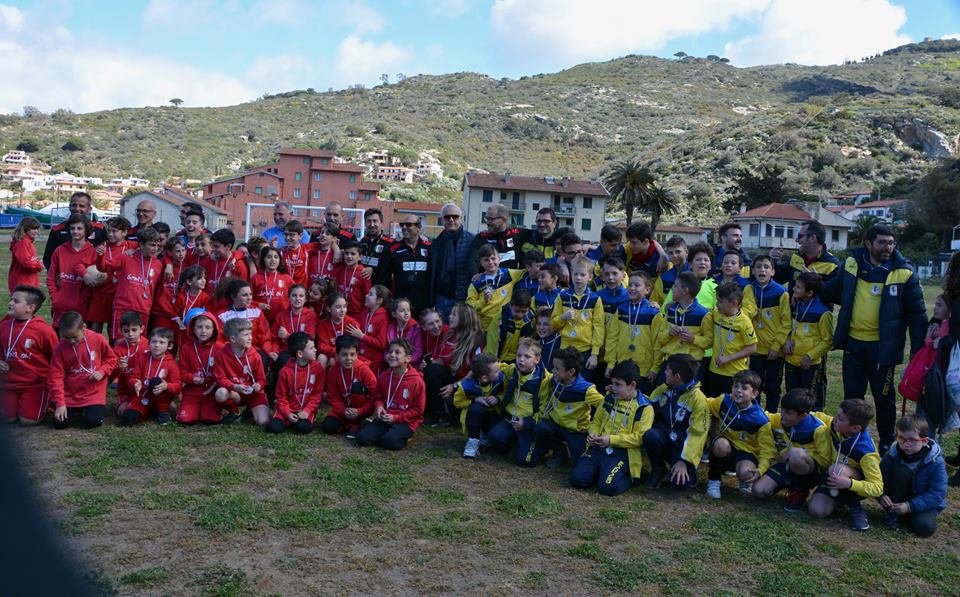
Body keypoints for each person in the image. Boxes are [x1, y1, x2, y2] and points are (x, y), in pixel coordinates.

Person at [820, 224, 927, 451]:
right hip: (854, 345)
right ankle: (852, 443)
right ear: (868, 243)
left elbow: (917, 315)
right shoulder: (852, 263)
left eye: (891, 242)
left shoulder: (904, 272)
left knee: (884, 400)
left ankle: (887, 444)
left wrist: (918, 353)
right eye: (882, 242)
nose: (887, 247)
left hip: (883, 350)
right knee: (853, 399)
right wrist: (809, 284)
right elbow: (831, 290)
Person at [570, 360, 653, 496]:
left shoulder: (644, 407)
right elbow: (596, 420)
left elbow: (639, 438)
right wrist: (593, 433)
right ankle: (602, 472)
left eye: (618, 385)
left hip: (621, 453)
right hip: (598, 447)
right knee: (577, 480)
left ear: (632, 385)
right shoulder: (610, 397)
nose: (612, 388)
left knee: (607, 488)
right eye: (613, 383)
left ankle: (636, 478)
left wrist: (611, 440)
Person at [807, 399, 884, 531]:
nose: (835, 419)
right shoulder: (835, 425)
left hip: (853, 482)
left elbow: (877, 488)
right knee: (816, 511)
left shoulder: (866, 452)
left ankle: (855, 507)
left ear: (855, 428)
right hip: (835, 478)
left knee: (837, 469)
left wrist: (849, 484)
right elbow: (816, 415)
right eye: (836, 416)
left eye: (840, 418)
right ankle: (840, 499)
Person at [752, 388, 832, 511]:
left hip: (809, 470)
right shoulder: (781, 419)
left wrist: (801, 453)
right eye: (782, 410)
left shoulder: (818, 429)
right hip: (787, 464)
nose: (783, 414)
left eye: (788, 413)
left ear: (803, 415)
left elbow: (825, 461)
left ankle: (800, 490)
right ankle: (787, 482)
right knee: (758, 491)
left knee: (796, 454)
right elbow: (764, 415)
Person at [704, 370, 775, 499]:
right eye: (736, 386)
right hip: (726, 448)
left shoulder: (760, 419)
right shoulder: (723, 401)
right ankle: (714, 481)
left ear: (754, 394)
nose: (738, 390)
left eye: (744, 388)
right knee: (720, 444)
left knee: (746, 472)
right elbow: (705, 403)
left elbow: (767, 450)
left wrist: (760, 470)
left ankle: (744, 482)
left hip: (746, 454)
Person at [643, 353, 709, 490]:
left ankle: (686, 471)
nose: (665, 372)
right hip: (666, 440)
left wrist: (683, 460)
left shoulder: (698, 400)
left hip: (683, 447)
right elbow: (647, 404)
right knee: (651, 435)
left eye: (667, 370)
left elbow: (697, 435)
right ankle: (658, 469)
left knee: (680, 485)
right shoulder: (664, 389)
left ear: (677, 377)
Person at [533, 347, 604, 468]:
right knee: (540, 427)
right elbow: (543, 373)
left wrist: (595, 429)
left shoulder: (586, 389)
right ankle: (559, 452)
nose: (553, 370)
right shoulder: (555, 380)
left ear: (571, 372)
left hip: (576, 431)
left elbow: (604, 405)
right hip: (555, 425)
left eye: (557, 368)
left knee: (578, 464)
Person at [878, 415, 947, 537]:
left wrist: (910, 506)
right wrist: (881, 495)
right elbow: (877, 479)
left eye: (912, 440)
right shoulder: (891, 455)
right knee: (901, 471)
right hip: (896, 499)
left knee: (925, 527)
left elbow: (938, 493)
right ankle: (894, 513)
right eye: (901, 438)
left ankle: (907, 515)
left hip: (922, 502)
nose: (905, 444)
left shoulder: (935, 461)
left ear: (924, 441)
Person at [486, 339, 550, 466]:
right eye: (519, 355)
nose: (521, 359)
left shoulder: (544, 380)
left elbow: (544, 410)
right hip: (510, 419)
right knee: (493, 437)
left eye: (527, 356)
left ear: (537, 359)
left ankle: (536, 447)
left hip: (528, 422)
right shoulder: (512, 370)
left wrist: (526, 423)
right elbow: (495, 366)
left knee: (526, 462)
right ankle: (514, 443)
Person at [49, 311, 118, 430]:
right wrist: (60, 403)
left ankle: (86, 409)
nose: (71, 341)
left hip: (93, 392)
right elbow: (55, 377)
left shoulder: (98, 339)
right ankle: (71, 409)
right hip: (70, 393)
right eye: (67, 338)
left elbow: (112, 359)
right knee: (59, 424)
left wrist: (102, 371)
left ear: (84, 328)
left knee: (93, 422)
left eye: (75, 337)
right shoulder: (60, 348)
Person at [0, 286, 58, 425]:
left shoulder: (44, 331)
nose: (10, 303)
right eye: (11, 299)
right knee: (7, 419)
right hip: (8, 383)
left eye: (16, 301)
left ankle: (49, 402)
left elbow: (56, 359)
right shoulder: (3, 326)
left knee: (28, 421)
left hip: (35, 384)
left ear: (30, 308)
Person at [356, 338, 425, 450]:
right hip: (386, 417)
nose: (392, 355)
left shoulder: (417, 381)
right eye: (390, 352)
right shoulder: (384, 376)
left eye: (397, 352)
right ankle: (387, 434)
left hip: (406, 421)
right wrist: (379, 406)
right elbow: (379, 397)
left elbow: (418, 411)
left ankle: (400, 436)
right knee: (362, 439)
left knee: (390, 443)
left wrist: (396, 418)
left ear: (408, 358)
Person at [741, 254, 790, 411]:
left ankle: (771, 418)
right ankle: (755, 416)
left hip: (774, 350)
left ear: (773, 272)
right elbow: (748, 312)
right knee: (755, 387)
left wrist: (776, 346)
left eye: (766, 267)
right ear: (753, 271)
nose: (762, 270)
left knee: (773, 387)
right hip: (755, 349)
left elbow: (786, 322)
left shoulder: (781, 292)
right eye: (758, 267)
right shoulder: (749, 289)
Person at [422, 303, 484, 426]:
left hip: (467, 385)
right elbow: (443, 360)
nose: (449, 317)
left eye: (454, 314)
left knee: (433, 372)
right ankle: (439, 414)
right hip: (453, 379)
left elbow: (475, 372)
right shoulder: (451, 335)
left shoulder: (476, 339)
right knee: (431, 370)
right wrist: (425, 366)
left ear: (464, 318)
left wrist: (455, 386)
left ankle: (448, 414)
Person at [97, 227, 164, 340]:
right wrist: (100, 256)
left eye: (158, 245)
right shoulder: (127, 257)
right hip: (123, 306)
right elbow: (104, 267)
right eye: (152, 245)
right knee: (120, 339)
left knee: (139, 342)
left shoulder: (159, 264)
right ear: (141, 245)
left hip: (143, 308)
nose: (155, 248)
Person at [605, 271, 663, 394]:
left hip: (645, 370)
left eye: (637, 285)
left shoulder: (653, 312)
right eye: (630, 285)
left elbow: (658, 342)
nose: (632, 288)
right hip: (622, 366)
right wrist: (610, 363)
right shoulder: (621, 310)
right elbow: (612, 338)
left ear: (647, 290)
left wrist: (655, 368)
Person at [695, 282, 757, 397]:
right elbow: (704, 310)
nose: (717, 304)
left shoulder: (744, 322)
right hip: (714, 370)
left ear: (734, 303)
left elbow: (752, 347)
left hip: (733, 374)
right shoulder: (717, 314)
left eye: (720, 302)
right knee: (712, 404)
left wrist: (729, 358)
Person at [783, 273, 833, 399]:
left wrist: (809, 356)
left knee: (806, 399)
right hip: (791, 360)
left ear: (809, 293)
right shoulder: (794, 305)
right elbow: (787, 327)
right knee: (791, 397)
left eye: (798, 287)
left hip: (810, 364)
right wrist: (787, 340)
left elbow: (827, 341)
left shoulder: (823, 313)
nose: (794, 289)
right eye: (795, 285)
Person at [551, 256, 604, 373]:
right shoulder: (562, 296)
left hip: (585, 350)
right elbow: (553, 324)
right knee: (563, 380)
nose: (578, 278)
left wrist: (595, 354)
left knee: (581, 385)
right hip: (565, 348)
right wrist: (562, 318)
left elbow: (598, 327)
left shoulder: (595, 299)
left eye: (582, 275)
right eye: (575, 274)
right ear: (571, 274)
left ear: (590, 277)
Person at [213, 318, 270, 427]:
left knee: (263, 422)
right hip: (236, 393)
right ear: (233, 339)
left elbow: (262, 379)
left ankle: (250, 410)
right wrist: (234, 386)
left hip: (254, 394)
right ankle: (234, 411)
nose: (250, 338)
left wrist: (259, 385)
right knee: (220, 394)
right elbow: (220, 378)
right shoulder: (221, 354)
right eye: (246, 335)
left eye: (250, 334)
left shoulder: (255, 355)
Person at [655, 272, 709, 383]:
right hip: (670, 363)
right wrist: (669, 333)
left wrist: (693, 339)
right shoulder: (670, 310)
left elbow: (709, 341)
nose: (672, 289)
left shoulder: (704, 314)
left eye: (675, 286)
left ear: (685, 291)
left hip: (692, 364)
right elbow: (660, 339)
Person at [266, 332, 324, 435]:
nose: (315, 350)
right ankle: (288, 420)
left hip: (305, 410)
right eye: (311, 348)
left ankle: (302, 420)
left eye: (314, 347)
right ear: (300, 354)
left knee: (303, 428)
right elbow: (281, 397)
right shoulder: (285, 371)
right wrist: (287, 413)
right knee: (273, 428)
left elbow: (316, 395)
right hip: (287, 409)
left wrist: (307, 411)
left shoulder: (318, 369)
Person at [46, 214, 98, 327]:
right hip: (61, 305)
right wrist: (55, 298)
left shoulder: (93, 253)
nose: (75, 231)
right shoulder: (59, 251)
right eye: (72, 228)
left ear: (86, 230)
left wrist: (82, 301)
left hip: (81, 307)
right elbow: (50, 278)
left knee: (78, 340)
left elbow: (92, 283)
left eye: (79, 228)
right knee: (61, 340)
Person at [322, 335, 378, 438]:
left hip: (362, 410)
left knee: (357, 387)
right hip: (344, 410)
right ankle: (348, 423)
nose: (348, 358)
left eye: (352, 354)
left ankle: (357, 423)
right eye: (344, 355)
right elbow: (332, 396)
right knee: (328, 426)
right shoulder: (333, 371)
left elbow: (375, 394)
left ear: (357, 354)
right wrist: (343, 410)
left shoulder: (363, 369)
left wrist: (360, 411)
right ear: (337, 355)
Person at [124, 328, 181, 426]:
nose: (157, 345)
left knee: (156, 381)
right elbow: (133, 377)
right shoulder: (142, 358)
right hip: (143, 397)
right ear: (149, 343)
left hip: (161, 398)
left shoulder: (171, 364)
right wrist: (135, 383)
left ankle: (162, 411)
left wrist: (166, 386)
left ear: (170, 346)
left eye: (161, 342)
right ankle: (147, 411)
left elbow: (178, 386)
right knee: (127, 419)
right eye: (154, 342)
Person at [176, 310, 224, 425]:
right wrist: (192, 378)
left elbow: (225, 372)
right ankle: (192, 409)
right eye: (199, 327)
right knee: (185, 419)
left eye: (208, 327)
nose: (203, 331)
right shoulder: (186, 348)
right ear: (192, 329)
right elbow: (182, 372)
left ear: (214, 330)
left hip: (212, 391)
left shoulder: (221, 348)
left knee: (210, 420)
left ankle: (214, 410)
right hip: (193, 391)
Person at [455, 353, 505, 458]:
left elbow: (506, 393)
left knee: (501, 445)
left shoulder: (500, 378)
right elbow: (457, 402)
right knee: (476, 408)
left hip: (493, 413)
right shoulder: (466, 385)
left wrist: (498, 398)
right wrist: (474, 400)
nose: (499, 372)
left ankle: (485, 435)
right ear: (484, 378)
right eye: (496, 371)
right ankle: (472, 443)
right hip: (474, 415)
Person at [430, 203, 475, 321]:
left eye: (455, 217)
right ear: (442, 220)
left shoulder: (472, 240)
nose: (451, 220)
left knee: (461, 334)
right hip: (441, 298)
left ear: (461, 218)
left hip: (462, 298)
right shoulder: (436, 243)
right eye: (447, 217)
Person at [467, 244, 526, 331]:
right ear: (481, 262)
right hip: (484, 329)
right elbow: (468, 307)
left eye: (493, 258)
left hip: (504, 326)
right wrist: (483, 301)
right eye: (486, 260)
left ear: (499, 259)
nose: (490, 262)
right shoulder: (476, 283)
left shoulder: (509, 274)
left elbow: (529, 270)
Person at [217, 279, 273, 369]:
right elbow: (219, 339)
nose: (249, 298)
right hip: (231, 351)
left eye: (250, 294)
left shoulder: (256, 312)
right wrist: (232, 350)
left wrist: (269, 353)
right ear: (234, 297)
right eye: (245, 295)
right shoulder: (222, 315)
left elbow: (264, 337)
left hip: (254, 350)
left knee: (262, 361)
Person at [42, 191, 106, 269]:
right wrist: (57, 276)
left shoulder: (100, 229)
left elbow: (108, 254)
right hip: (65, 278)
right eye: (74, 205)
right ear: (69, 207)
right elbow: (48, 258)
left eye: (81, 206)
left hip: (89, 278)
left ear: (89, 209)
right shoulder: (57, 230)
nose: (77, 209)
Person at [385, 216, 432, 317]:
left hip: (424, 304)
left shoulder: (430, 247)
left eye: (409, 225)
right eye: (402, 225)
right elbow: (385, 274)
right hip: (401, 304)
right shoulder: (393, 248)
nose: (404, 227)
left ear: (418, 227)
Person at [469, 203, 529, 271]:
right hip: (488, 280)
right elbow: (472, 263)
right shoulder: (481, 237)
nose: (488, 222)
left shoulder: (517, 234)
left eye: (491, 219)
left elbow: (538, 234)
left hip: (512, 280)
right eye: (487, 218)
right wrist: (476, 277)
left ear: (504, 219)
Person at [271, 284, 320, 365]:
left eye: (301, 296)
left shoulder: (311, 315)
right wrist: (275, 352)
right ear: (288, 298)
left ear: (305, 299)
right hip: (286, 350)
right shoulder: (281, 315)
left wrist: (287, 336)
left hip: (304, 350)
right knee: (282, 360)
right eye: (294, 295)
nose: (297, 299)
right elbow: (274, 339)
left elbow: (310, 338)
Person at [111, 312, 149, 417]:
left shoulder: (148, 345)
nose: (130, 334)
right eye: (126, 331)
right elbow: (110, 375)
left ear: (141, 329)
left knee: (171, 408)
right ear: (120, 331)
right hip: (125, 390)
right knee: (122, 412)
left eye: (134, 330)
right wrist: (119, 368)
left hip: (145, 387)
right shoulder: (118, 349)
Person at [349, 286, 390, 373]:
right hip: (361, 359)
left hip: (374, 363)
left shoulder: (383, 317)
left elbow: (381, 343)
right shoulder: (365, 312)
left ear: (379, 300)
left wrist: (362, 336)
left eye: (370, 294)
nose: (366, 295)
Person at [486, 288, 534, 364]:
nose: (520, 315)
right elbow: (492, 347)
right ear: (510, 305)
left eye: (524, 311)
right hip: (500, 360)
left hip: (520, 360)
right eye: (517, 311)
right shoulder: (500, 320)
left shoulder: (531, 319)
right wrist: (493, 365)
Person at [250, 246, 293, 325]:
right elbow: (248, 299)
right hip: (260, 319)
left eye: (276, 257)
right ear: (263, 259)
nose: (273, 260)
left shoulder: (287, 278)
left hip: (282, 320)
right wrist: (258, 304)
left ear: (280, 260)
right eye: (269, 257)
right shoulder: (256, 278)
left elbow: (295, 296)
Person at [316, 293, 358, 368]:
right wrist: (335, 353)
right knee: (321, 358)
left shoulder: (352, 323)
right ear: (329, 308)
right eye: (338, 307)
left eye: (344, 306)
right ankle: (320, 380)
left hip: (348, 354)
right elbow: (321, 346)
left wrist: (340, 353)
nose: (342, 310)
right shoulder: (323, 324)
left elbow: (355, 345)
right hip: (331, 354)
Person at [333, 240, 371, 318]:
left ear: (360, 257)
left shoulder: (363, 273)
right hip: (341, 312)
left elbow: (367, 297)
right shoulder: (341, 269)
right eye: (347, 253)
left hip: (357, 314)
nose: (349, 256)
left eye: (353, 254)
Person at [359, 207, 395, 286]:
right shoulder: (362, 241)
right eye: (369, 221)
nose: (372, 225)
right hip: (362, 287)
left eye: (375, 221)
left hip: (380, 289)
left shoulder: (390, 243)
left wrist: (373, 269)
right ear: (365, 223)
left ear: (381, 223)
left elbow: (390, 268)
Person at [650, 236, 689, 305]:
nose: (674, 255)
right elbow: (654, 300)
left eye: (678, 252)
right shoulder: (664, 277)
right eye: (670, 253)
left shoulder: (695, 274)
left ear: (686, 252)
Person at [8, 216, 42, 293]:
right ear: (25, 229)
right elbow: (26, 262)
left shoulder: (27, 242)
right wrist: (38, 265)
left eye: (37, 229)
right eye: (33, 229)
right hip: (23, 281)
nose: (36, 231)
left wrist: (37, 262)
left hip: (28, 280)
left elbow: (30, 259)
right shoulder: (22, 242)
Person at [386, 297, 424, 367]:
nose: (406, 313)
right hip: (392, 364)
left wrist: (403, 360)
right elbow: (386, 350)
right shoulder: (390, 328)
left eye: (408, 310)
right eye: (402, 311)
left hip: (411, 365)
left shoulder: (416, 329)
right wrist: (388, 358)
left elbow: (418, 352)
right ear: (394, 314)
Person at [281, 220, 312, 286]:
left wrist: (335, 248)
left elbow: (326, 243)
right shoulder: (281, 252)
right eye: (286, 234)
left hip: (302, 290)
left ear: (300, 236)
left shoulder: (307, 249)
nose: (288, 238)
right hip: (286, 289)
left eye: (291, 235)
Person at [535, 308, 561, 372]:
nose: (541, 327)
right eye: (539, 324)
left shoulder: (559, 341)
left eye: (546, 324)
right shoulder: (536, 342)